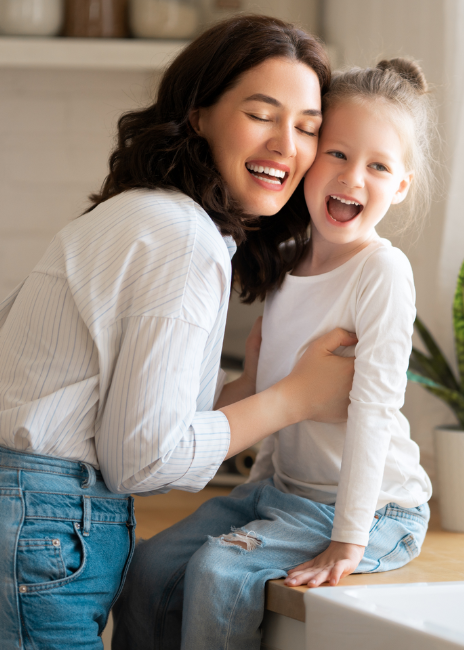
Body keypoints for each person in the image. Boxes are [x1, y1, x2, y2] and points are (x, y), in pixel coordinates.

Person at [0, 16, 357, 650]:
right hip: (42, 525)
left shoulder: (149, 214)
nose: (288, 144)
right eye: (262, 114)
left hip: (12, 514)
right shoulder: (182, 237)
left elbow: (119, 420)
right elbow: (142, 455)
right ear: (200, 114)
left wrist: (247, 388)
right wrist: (294, 399)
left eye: (307, 128)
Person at [113, 58, 435, 650]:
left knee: (219, 572)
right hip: (284, 492)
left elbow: (374, 412)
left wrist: (349, 540)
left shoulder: (382, 271)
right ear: (310, 160)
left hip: (377, 511)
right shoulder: (288, 265)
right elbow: (275, 401)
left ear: (401, 185)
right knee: (152, 564)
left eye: (378, 165)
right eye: (337, 154)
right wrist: (257, 491)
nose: (352, 177)